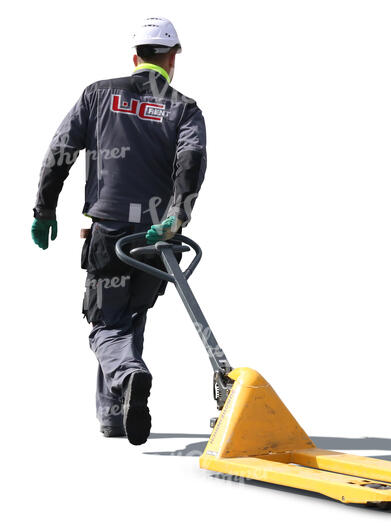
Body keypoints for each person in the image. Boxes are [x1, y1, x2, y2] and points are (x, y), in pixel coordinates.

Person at [30, 17, 207, 445]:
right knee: (129, 318)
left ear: (135, 57)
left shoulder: (98, 94)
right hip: (156, 235)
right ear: (173, 57)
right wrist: (176, 216)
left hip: (110, 231)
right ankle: (114, 417)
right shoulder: (184, 107)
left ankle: (130, 376)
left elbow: (61, 150)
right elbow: (192, 160)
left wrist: (44, 208)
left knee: (107, 324)